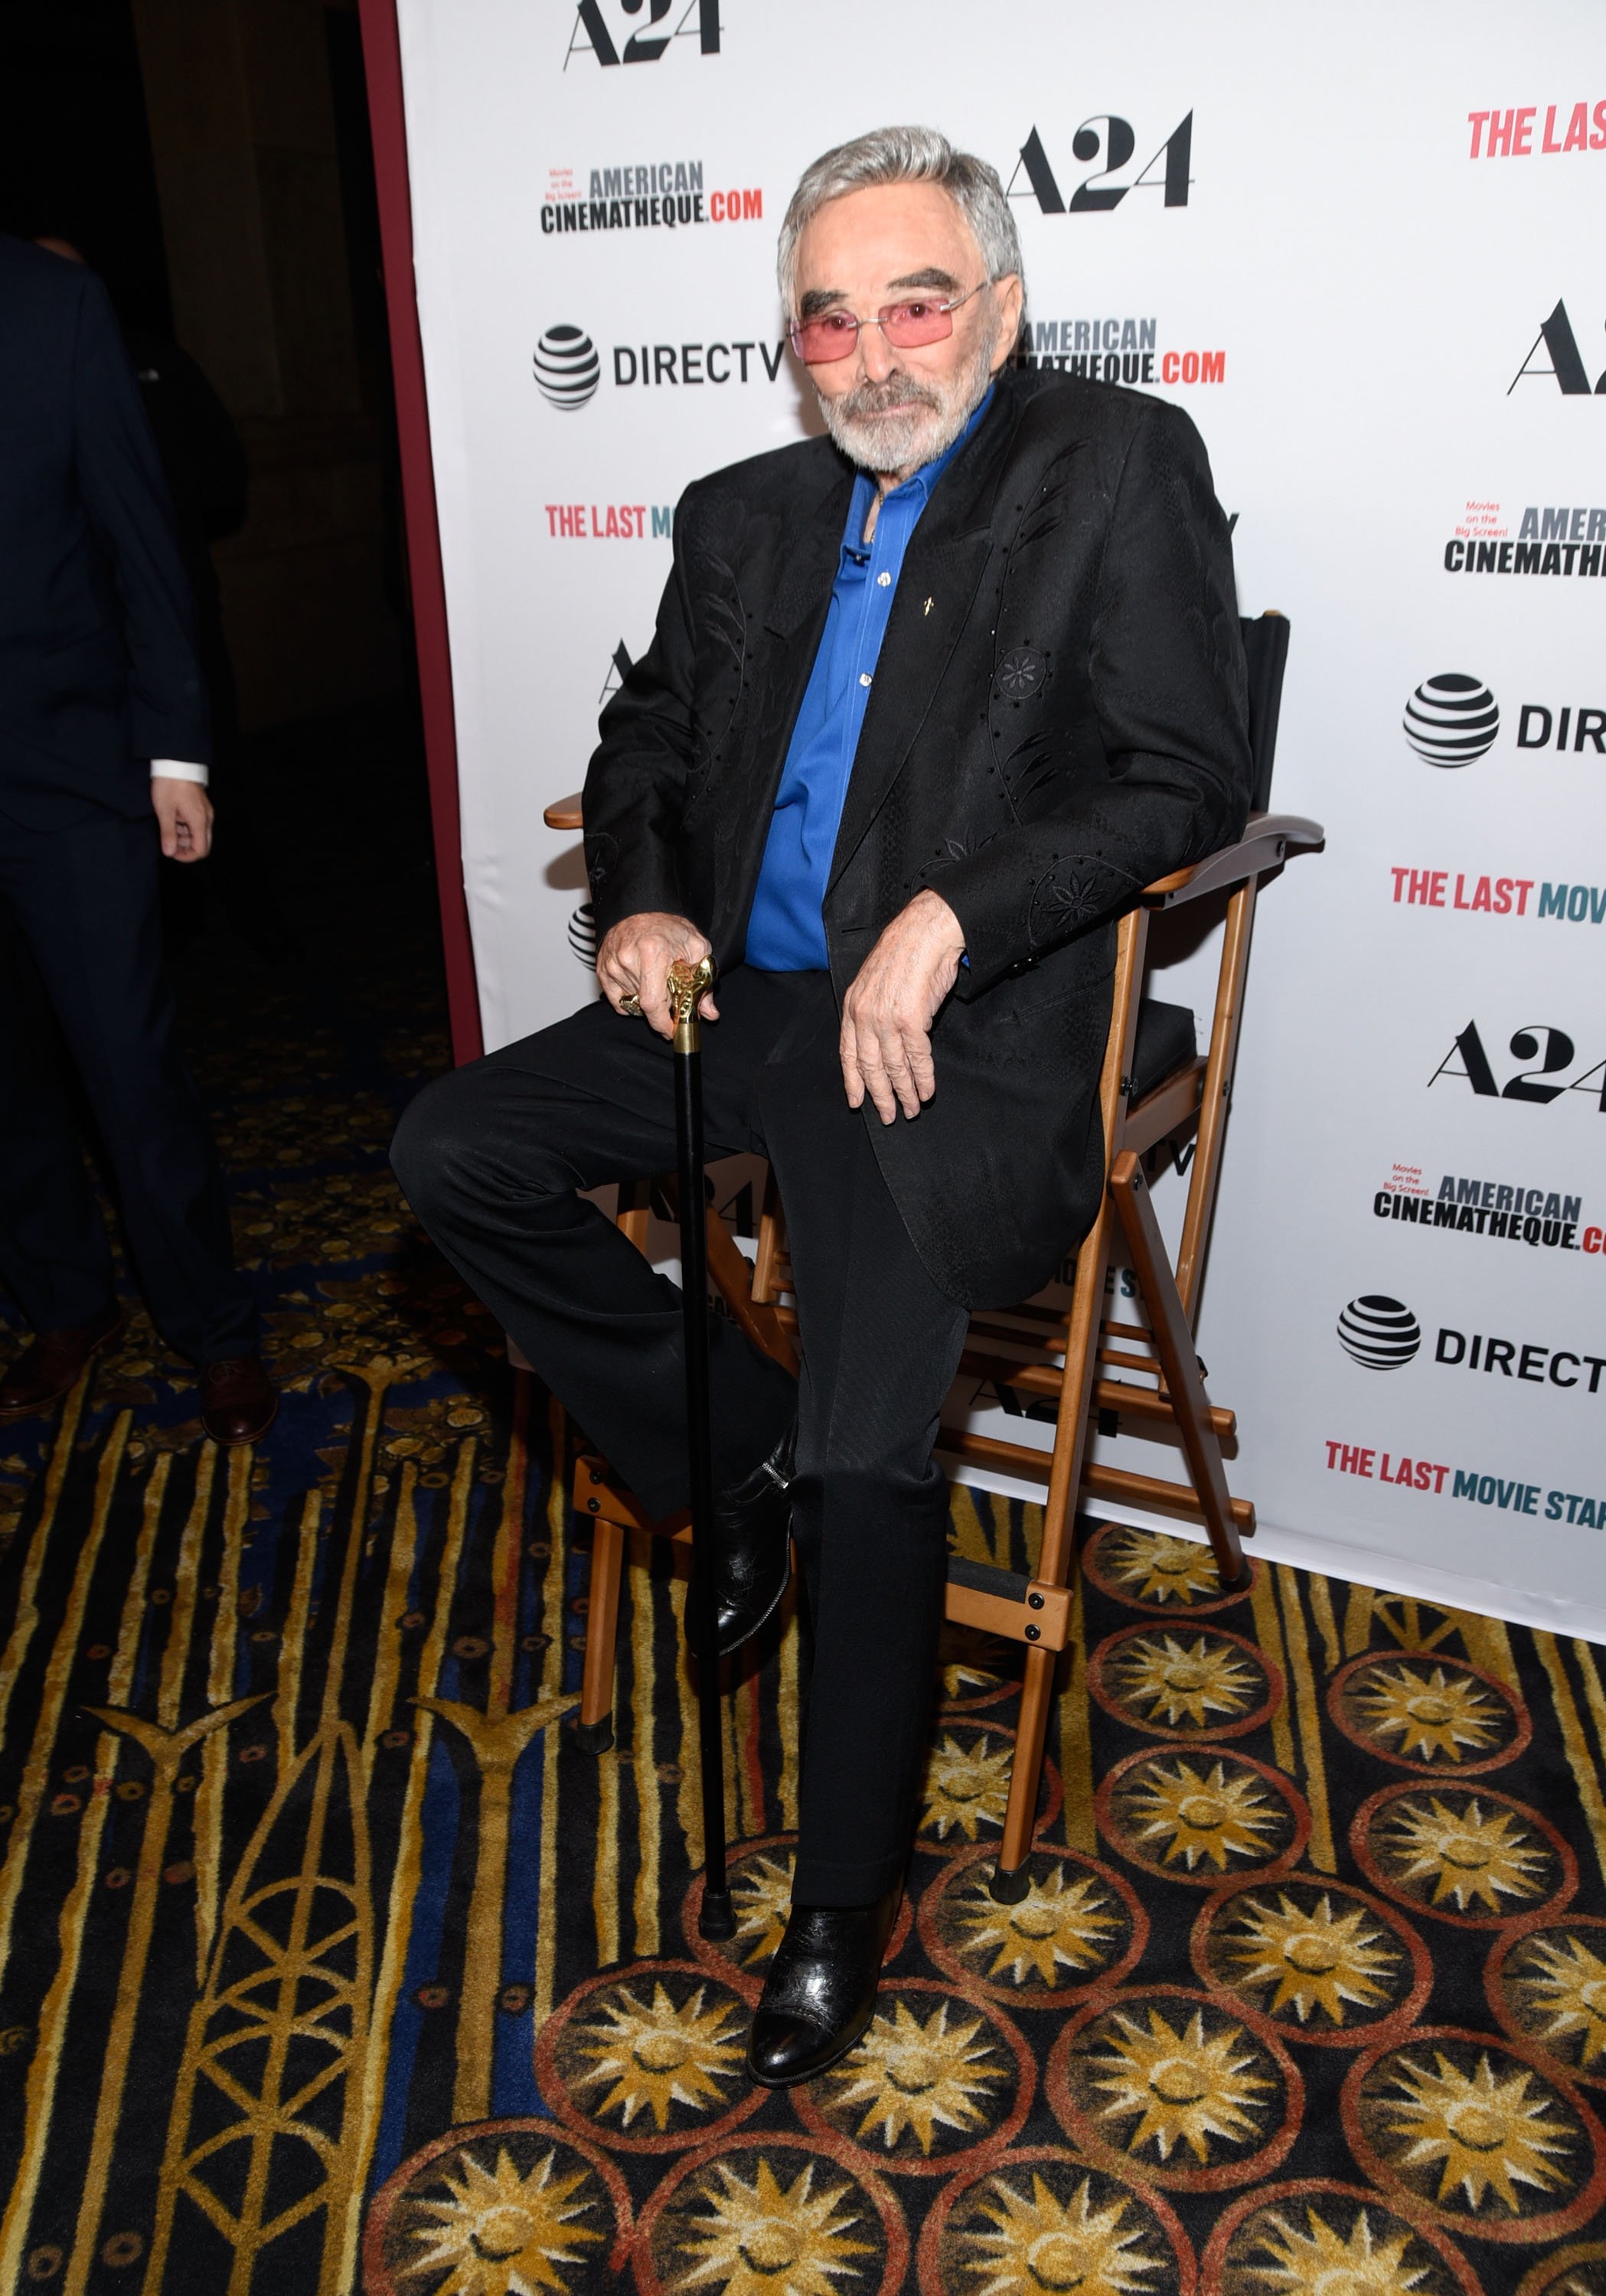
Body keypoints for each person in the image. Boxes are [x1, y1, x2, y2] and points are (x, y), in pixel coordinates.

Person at [392, 126, 1249, 2082]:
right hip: (750, 1004)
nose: (872, 352)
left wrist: (955, 913)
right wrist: (649, 893)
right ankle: (742, 1433)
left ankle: (842, 1898)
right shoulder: (743, 508)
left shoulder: (1109, 467)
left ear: (1003, 311)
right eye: (829, 316)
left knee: (881, 1477)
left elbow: (1178, 778)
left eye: (915, 302)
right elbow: (648, 738)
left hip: (966, 1030)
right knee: (452, 1152)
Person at [0, 235, 275, 1444]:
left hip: (68, 765)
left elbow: (137, 529)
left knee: (127, 1065)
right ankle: (64, 1303)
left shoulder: (51, 302)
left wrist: (175, 750)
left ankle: (212, 1327)